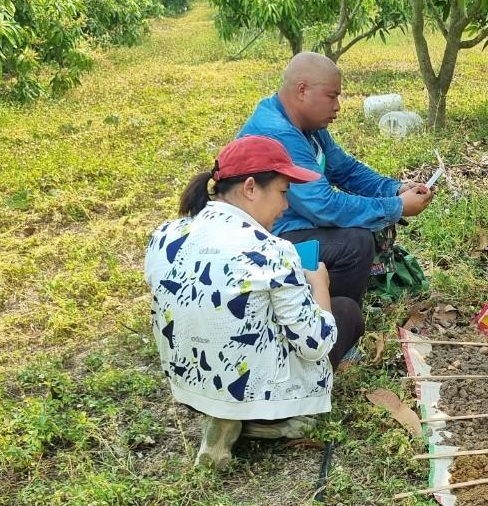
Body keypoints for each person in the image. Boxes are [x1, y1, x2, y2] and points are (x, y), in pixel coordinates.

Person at [144, 135, 365, 468]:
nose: (286, 206)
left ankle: (222, 413)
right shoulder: (272, 250)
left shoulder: (164, 235)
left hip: (190, 388)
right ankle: (273, 419)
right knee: (345, 311)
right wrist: (320, 285)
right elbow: (315, 344)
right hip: (251, 389)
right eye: (282, 192)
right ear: (250, 188)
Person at [238, 51, 434, 306]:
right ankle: (332, 319)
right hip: (263, 239)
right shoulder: (279, 133)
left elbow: (346, 170)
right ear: (302, 90)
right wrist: (396, 207)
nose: (337, 106)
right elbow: (323, 206)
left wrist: (394, 189)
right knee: (355, 243)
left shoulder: (307, 128)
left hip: (290, 224)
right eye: (332, 96)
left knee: (362, 225)